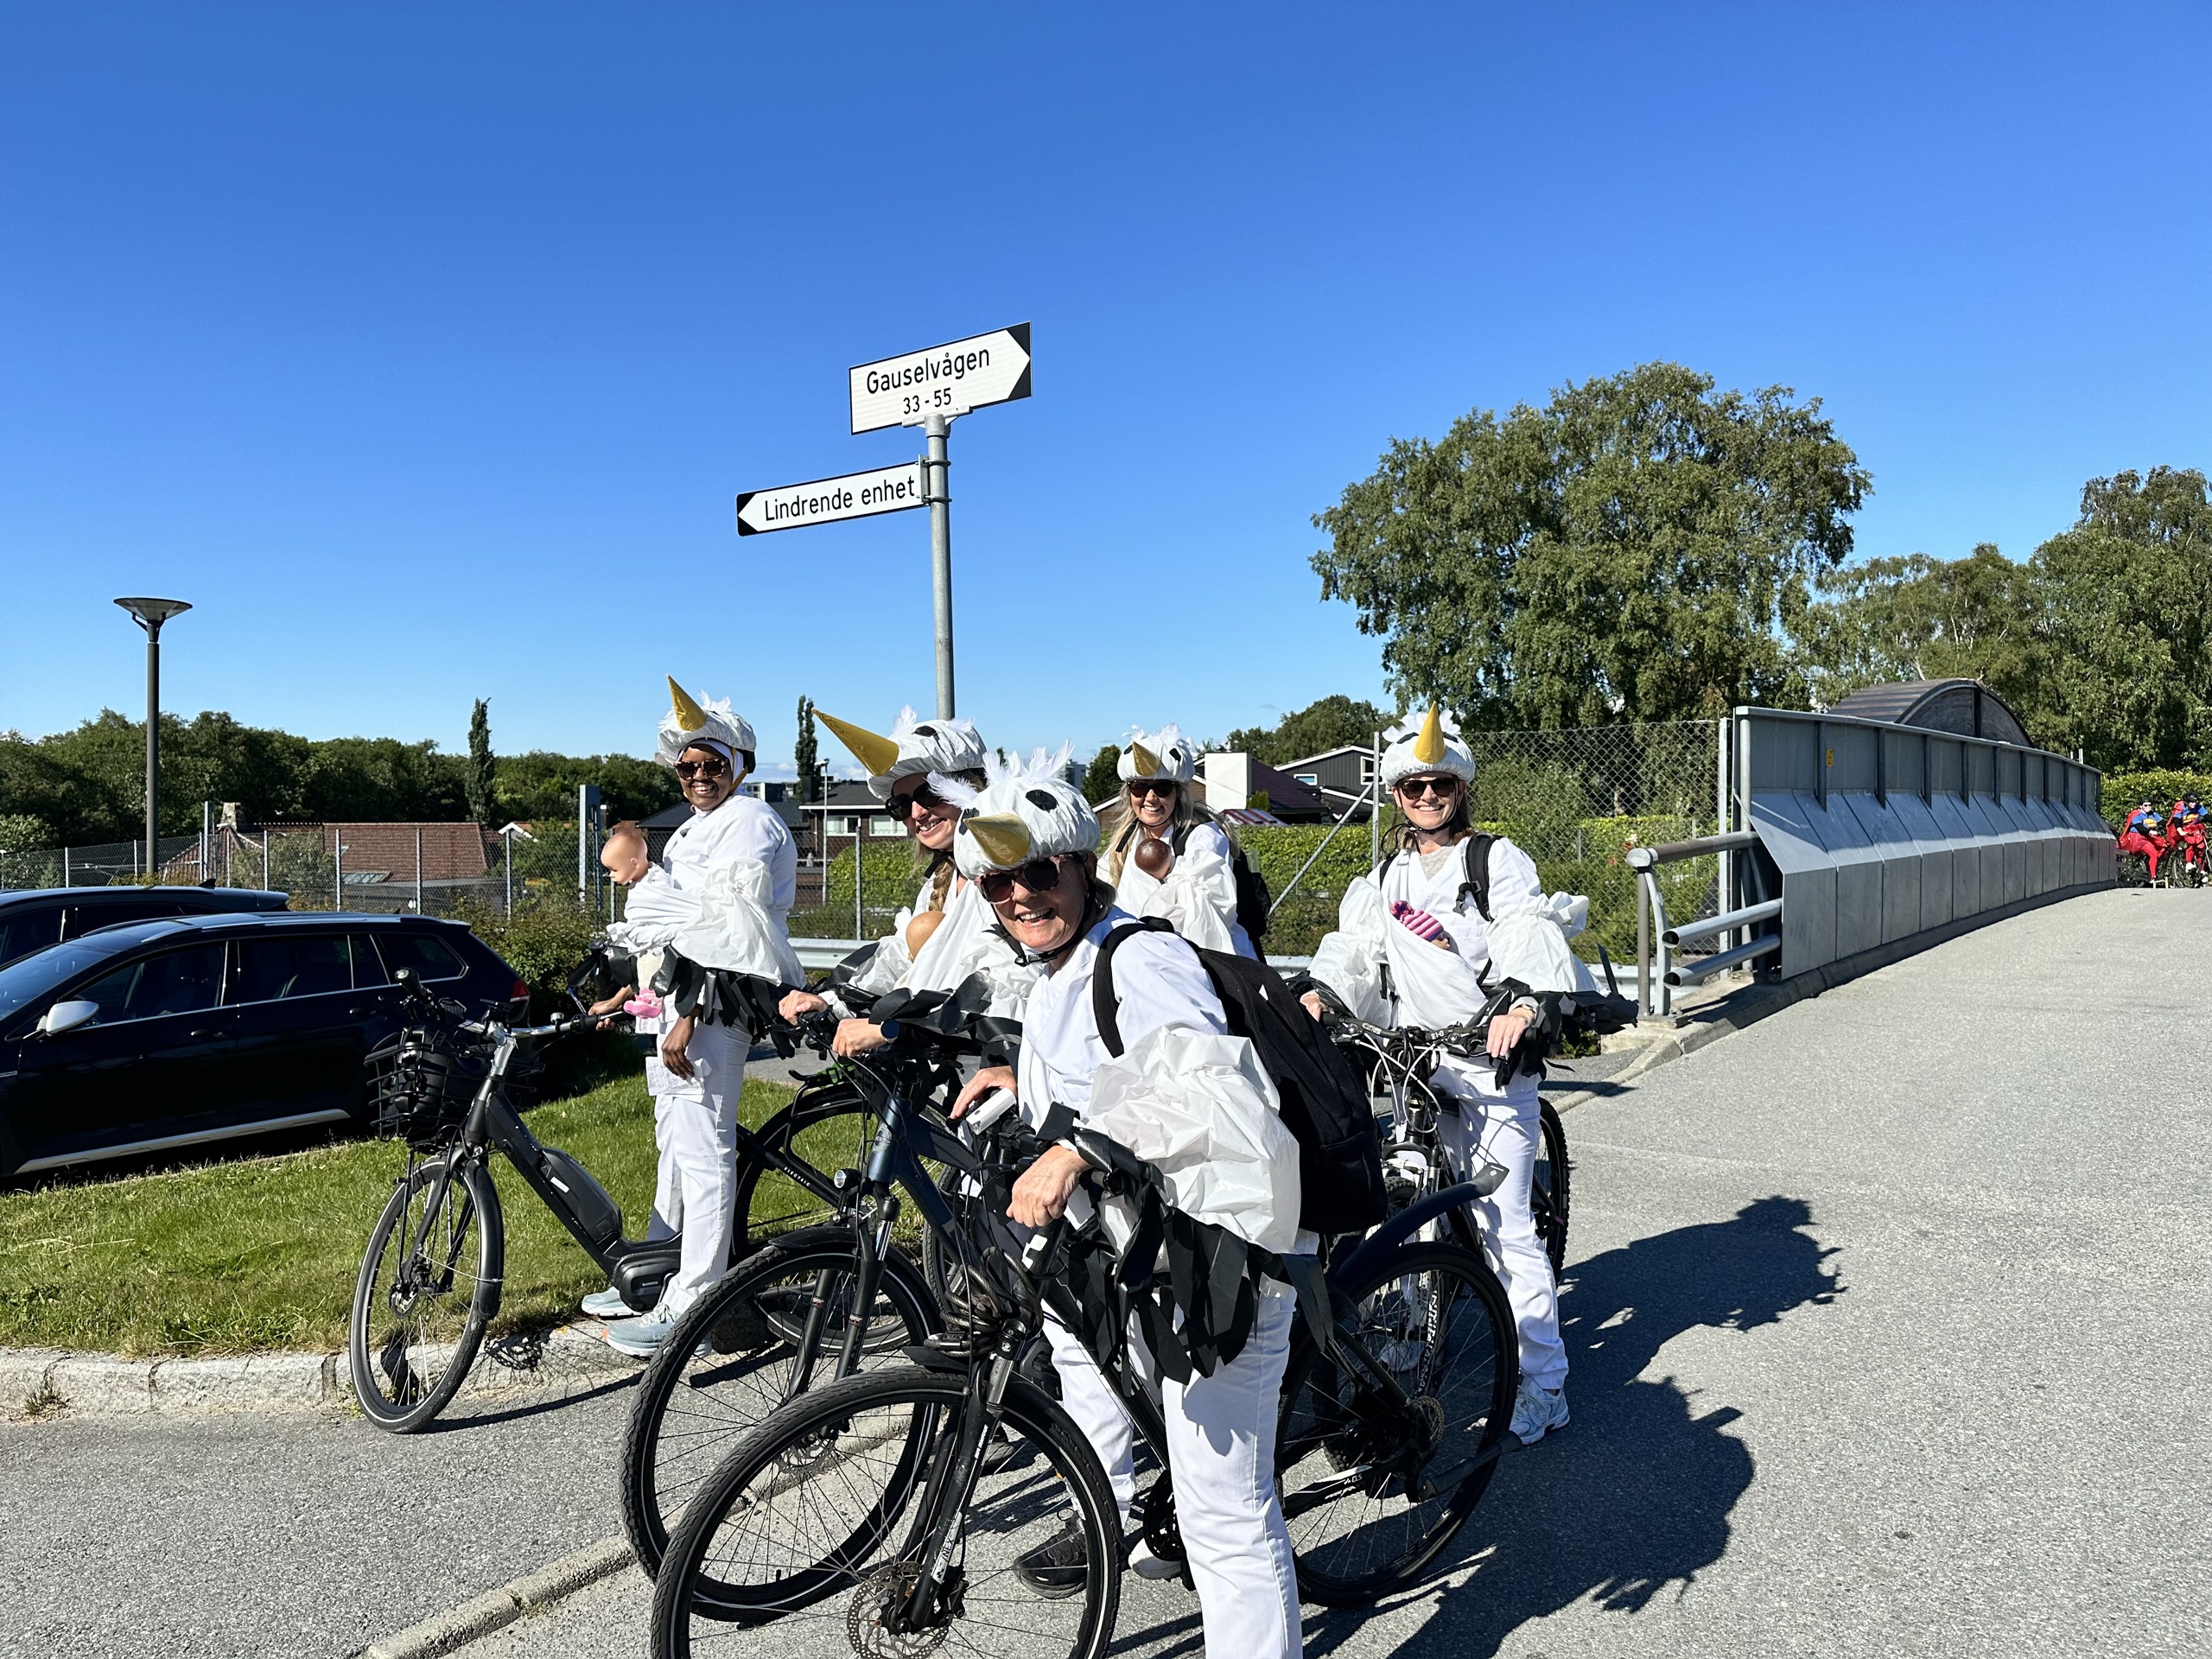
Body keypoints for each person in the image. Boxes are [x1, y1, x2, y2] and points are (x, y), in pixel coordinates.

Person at [948, 747, 1305, 1659]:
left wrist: (1078, 1147)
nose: (1019, 896)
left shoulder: (1137, 958)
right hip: (1146, 1258)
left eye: (1038, 873)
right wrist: (1022, 1083)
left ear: (1080, 866)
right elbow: (1110, 1070)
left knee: (1227, 1512)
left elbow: (1217, 1092)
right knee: (1159, 1442)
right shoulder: (1062, 966)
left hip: (1219, 1263)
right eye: (996, 884)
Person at [1299, 707, 1589, 1446]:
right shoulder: (1387, 874)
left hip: (1488, 1060)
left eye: (1441, 784)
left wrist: (1520, 1001)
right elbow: (1357, 949)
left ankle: (1544, 1383)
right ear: (1395, 795)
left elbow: (1522, 928)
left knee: (1504, 1229)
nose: (1427, 796)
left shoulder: (1493, 861)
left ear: (1461, 788)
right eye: (1413, 787)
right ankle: (1406, 1330)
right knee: (1402, 1210)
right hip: (1415, 1062)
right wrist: (1323, 994)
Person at [591, 677, 799, 1361]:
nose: (698, 777)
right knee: (676, 1143)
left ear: (740, 763)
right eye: (687, 768)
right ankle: (659, 1270)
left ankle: (698, 1297)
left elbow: (731, 929)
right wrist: (639, 995)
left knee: (706, 1151)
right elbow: (676, 927)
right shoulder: (693, 829)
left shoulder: (749, 821)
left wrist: (690, 1011)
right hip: (678, 1000)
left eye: (712, 764)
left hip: (716, 1001)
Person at [777, 707, 1036, 1049]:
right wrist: (833, 1001)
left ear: (971, 787)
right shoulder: (939, 883)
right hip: (945, 1060)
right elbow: (903, 957)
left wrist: (897, 1029)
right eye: (900, 805)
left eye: (930, 793)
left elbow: (1013, 982)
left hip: (1004, 1063)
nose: (917, 813)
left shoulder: (1014, 878)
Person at [1096, 724, 1257, 957]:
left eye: (1162, 788)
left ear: (1178, 793)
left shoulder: (1204, 837)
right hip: (1137, 959)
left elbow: (1201, 916)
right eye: (1139, 788)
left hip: (1196, 961)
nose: (1150, 798)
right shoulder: (1123, 844)